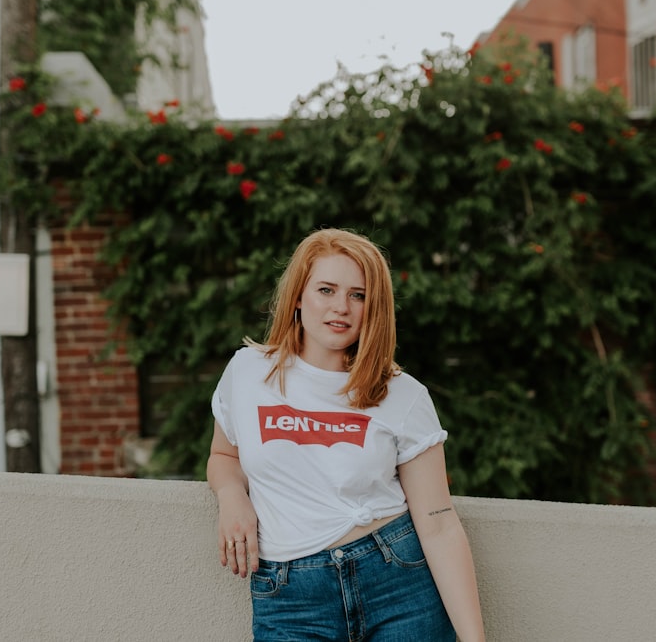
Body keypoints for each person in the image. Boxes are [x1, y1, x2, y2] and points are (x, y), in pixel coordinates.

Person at [207, 227, 486, 641]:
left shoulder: (402, 395)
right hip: (290, 596)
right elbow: (224, 457)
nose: (342, 307)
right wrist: (232, 498)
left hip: (396, 581)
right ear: (298, 296)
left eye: (358, 295)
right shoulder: (249, 372)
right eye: (326, 290)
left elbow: (439, 524)